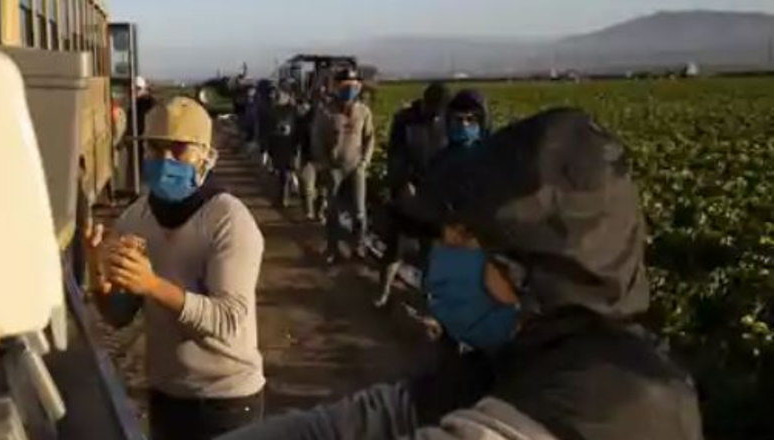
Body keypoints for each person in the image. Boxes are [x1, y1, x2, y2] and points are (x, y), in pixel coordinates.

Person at [219, 108, 703, 440]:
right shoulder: (512, 361)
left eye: (461, 240)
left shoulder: (608, 401)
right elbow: (352, 424)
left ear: (525, 269)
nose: (440, 260)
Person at [87, 97, 266, 440]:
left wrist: (152, 285)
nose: (164, 160)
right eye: (155, 149)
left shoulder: (228, 220)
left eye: (178, 149)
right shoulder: (135, 219)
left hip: (226, 402)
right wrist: (98, 271)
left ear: (206, 157)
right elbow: (119, 315)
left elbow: (229, 320)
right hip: (167, 397)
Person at [374, 82, 452, 308]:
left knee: (430, 250)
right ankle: (384, 292)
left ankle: (426, 297)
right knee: (395, 248)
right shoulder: (405, 120)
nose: (437, 114)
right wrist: (402, 182)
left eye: (441, 111)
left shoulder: (446, 122)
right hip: (406, 192)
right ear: (425, 103)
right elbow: (395, 155)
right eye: (434, 109)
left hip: (435, 194)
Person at [311, 68, 375, 263]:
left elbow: (369, 137)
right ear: (337, 87)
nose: (349, 90)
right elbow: (317, 139)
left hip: (356, 168)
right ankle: (332, 249)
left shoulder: (363, 111)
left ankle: (359, 247)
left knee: (359, 212)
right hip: (334, 168)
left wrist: (365, 161)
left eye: (354, 86)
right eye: (345, 86)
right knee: (333, 212)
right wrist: (323, 164)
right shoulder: (326, 112)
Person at [266, 88, 302, 208]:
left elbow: (300, 129)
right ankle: (283, 197)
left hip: (290, 145)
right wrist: (269, 148)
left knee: (287, 173)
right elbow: (269, 130)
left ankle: (285, 198)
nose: (278, 96)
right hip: (278, 145)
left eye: (281, 94)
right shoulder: (273, 111)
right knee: (282, 174)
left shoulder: (294, 111)